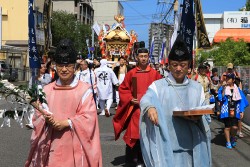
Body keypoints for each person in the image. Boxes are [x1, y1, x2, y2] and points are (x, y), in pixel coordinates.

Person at [25, 39, 102, 167]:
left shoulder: (84, 90)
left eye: (69, 66)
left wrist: (66, 123)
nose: (64, 69)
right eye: (60, 65)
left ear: (75, 67)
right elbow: (37, 115)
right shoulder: (47, 90)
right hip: (52, 144)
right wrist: (46, 118)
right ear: (55, 66)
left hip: (75, 144)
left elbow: (89, 117)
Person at [139, 36, 211, 167]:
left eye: (183, 65)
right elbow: (146, 98)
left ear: (189, 66)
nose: (178, 68)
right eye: (175, 65)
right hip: (167, 148)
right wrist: (150, 107)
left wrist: (199, 117)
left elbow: (205, 114)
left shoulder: (197, 88)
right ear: (169, 66)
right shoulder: (158, 86)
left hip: (192, 147)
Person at [113, 48, 162, 166]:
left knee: (150, 135)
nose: (143, 58)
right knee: (134, 135)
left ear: (148, 57)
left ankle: (147, 160)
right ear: (137, 57)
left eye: (145, 56)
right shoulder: (132, 73)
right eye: (141, 56)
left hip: (151, 110)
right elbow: (123, 88)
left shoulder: (155, 74)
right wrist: (130, 98)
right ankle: (132, 161)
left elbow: (161, 90)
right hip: (136, 110)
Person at [218, 73, 248, 149]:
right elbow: (221, 98)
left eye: (229, 78)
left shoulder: (237, 89)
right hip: (226, 110)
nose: (227, 79)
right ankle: (228, 142)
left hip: (235, 110)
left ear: (233, 80)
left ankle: (233, 137)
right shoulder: (222, 88)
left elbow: (242, 101)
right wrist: (224, 88)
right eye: (226, 78)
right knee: (227, 127)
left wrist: (242, 111)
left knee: (234, 127)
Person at [26, 62, 52, 129]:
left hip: (44, 96)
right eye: (42, 67)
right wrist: (29, 94)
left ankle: (46, 122)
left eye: (44, 67)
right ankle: (31, 123)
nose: (44, 68)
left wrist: (39, 79)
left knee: (44, 109)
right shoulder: (33, 77)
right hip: (35, 95)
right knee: (32, 109)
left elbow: (47, 82)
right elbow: (30, 86)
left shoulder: (47, 75)